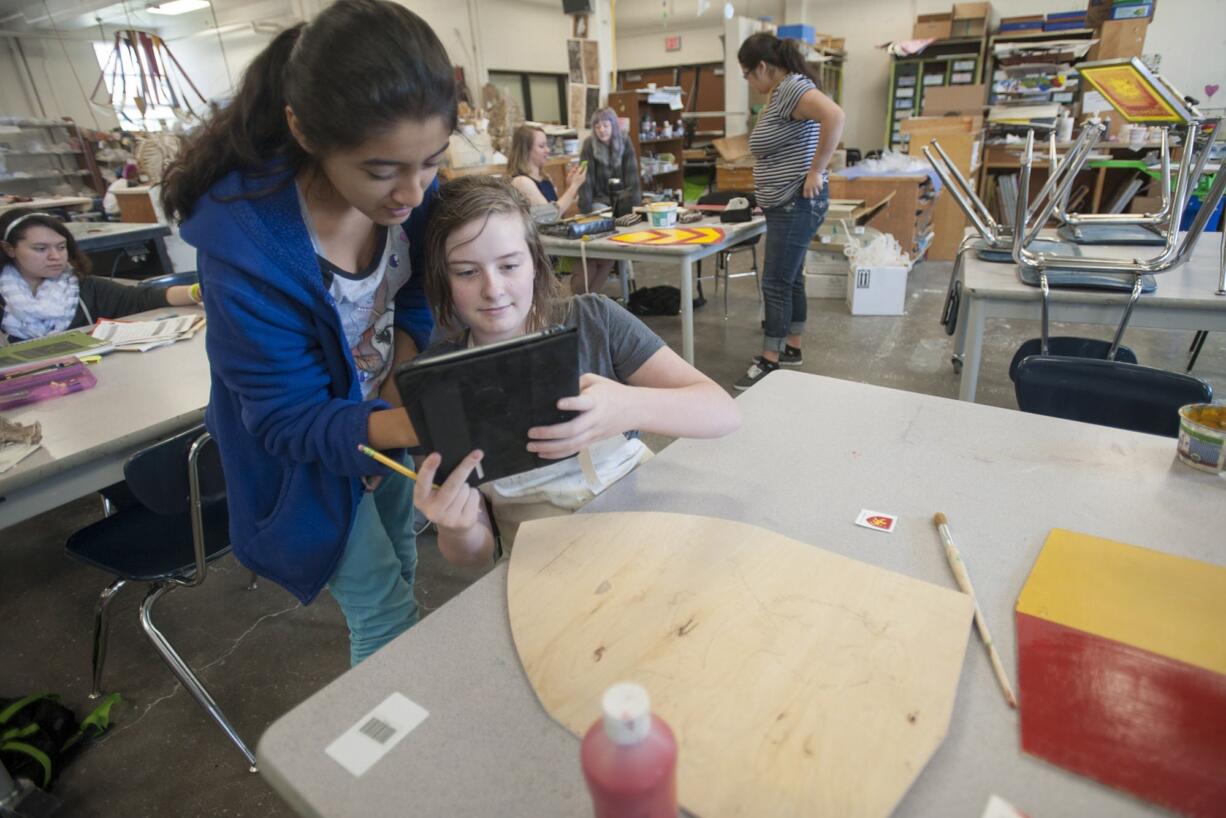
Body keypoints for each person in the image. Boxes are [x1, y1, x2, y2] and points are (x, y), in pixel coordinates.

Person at [160, 0, 457, 666]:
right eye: (381, 171)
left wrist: (395, 377)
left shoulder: (411, 191)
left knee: (404, 557)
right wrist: (424, 416)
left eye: (432, 161)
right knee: (384, 614)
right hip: (305, 463)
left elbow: (410, 298)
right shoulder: (246, 247)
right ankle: (391, 766)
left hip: (382, 414)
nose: (411, 192)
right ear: (303, 129)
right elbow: (288, 421)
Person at [414, 175, 741, 558]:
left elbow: (723, 412)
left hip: (647, 526)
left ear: (535, 263)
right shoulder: (436, 380)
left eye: (509, 265)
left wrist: (626, 407)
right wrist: (458, 528)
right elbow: (476, 554)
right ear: (443, 277)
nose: (493, 289)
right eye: (467, 272)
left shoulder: (594, 320)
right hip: (547, 559)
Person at [732, 32, 845, 391]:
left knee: (776, 282)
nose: (749, 82)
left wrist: (816, 171)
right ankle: (791, 347)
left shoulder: (792, 88)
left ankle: (770, 360)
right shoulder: (783, 92)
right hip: (787, 202)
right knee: (791, 277)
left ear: (762, 67)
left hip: (795, 201)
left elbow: (835, 116)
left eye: (747, 74)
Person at [0, 208, 199, 343]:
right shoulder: (4, 303)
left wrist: (197, 291)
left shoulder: (84, 287)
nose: (55, 256)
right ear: (9, 249)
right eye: (40, 248)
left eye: (61, 247)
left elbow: (143, 298)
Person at [575, 107, 641, 295]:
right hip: (599, 200)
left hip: (623, 199)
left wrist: (636, 208)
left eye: (605, 125)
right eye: (597, 126)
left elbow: (632, 176)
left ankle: (628, 279)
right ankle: (616, 274)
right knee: (607, 225)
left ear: (613, 126)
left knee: (626, 228)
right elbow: (586, 180)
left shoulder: (625, 142)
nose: (601, 130)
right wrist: (585, 209)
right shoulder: (589, 145)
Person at [506, 124, 586, 219]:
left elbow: (560, 210)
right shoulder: (521, 182)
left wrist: (570, 186)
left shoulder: (544, 178)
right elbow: (550, 216)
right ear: (526, 150)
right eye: (541, 146)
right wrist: (574, 185)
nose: (547, 150)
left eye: (547, 145)